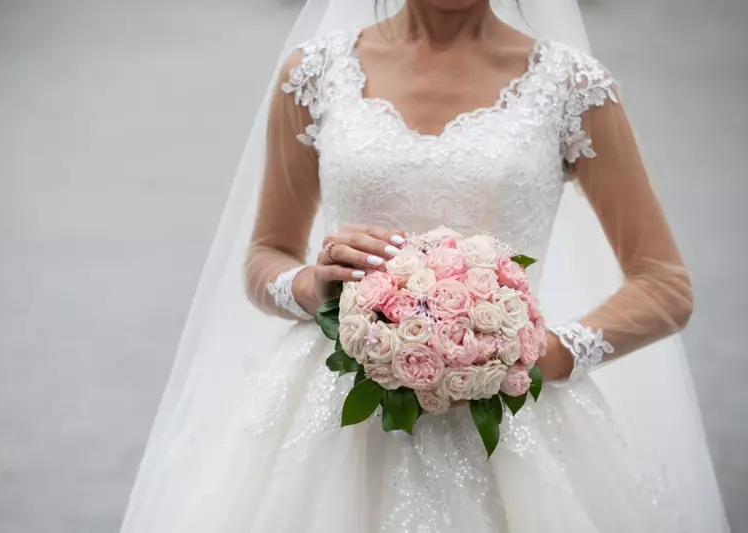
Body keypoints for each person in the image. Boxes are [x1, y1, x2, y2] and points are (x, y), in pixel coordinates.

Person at [120, 0, 729, 531]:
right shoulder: (313, 73)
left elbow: (664, 284)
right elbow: (264, 257)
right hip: (335, 405)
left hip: (508, 406)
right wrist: (310, 284)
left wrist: (540, 353)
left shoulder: (571, 86)